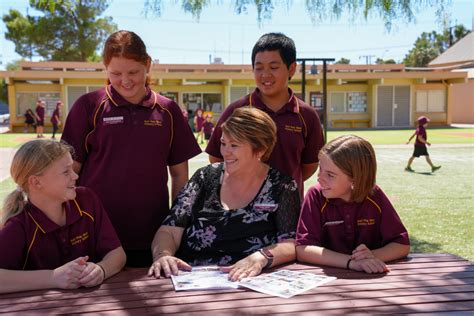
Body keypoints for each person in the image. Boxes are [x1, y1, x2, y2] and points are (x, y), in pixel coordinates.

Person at [61, 30, 201, 267]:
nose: (125, 81)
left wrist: (175, 226)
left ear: (148, 64)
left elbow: (179, 175)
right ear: (105, 68)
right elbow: (68, 172)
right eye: (115, 73)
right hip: (95, 235)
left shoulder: (168, 111)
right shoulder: (88, 106)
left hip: (152, 237)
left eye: (133, 72)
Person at [148, 107, 301, 281]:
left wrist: (260, 257)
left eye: (234, 145)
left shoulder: (282, 186)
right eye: (223, 143)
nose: (225, 152)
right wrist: (163, 255)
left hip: (252, 285)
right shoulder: (204, 177)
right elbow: (169, 231)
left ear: (260, 150)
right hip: (192, 282)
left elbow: (290, 244)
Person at [206, 33, 324, 197]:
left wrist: (281, 185)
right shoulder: (236, 111)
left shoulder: (307, 116)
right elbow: (216, 157)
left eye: (274, 67)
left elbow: (309, 165)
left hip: (289, 207)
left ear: (291, 68)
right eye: (259, 68)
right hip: (242, 207)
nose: (265, 75)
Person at [0, 139, 126, 294]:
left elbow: (118, 254)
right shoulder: (18, 225)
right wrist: (52, 278)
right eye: (66, 172)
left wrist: (101, 269)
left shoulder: (87, 200)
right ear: (36, 182)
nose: (75, 176)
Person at [295, 135, 410, 274]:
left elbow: (401, 245)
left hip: (371, 280)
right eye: (321, 169)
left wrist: (371, 256)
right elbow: (303, 249)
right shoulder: (315, 195)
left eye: (330, 175)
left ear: (355, 178)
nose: (319, 178)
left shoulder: (374, 195)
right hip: (327, 280)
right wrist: (351, 262)